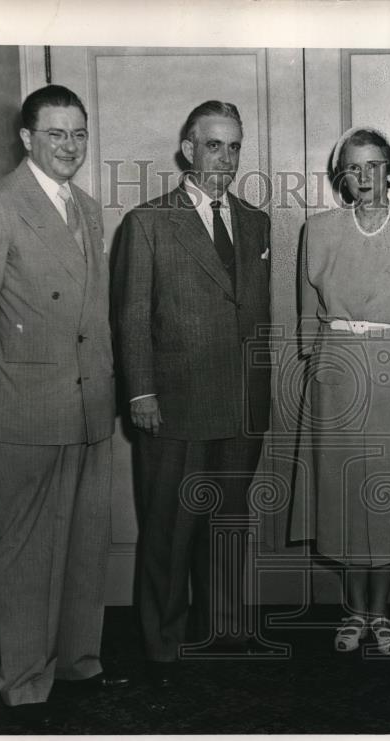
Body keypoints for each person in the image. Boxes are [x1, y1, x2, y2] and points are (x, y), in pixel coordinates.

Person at [0, 84, 126, 727]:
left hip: (90, 407)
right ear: (27, 138)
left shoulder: (91, 208)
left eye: (78, 134)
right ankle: (25, 683)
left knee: (83, 543)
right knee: (25, 555)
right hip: (25, 410)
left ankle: (78, 661)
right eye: (56, 134)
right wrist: (6, 391)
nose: (70, 146)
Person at [113, 101, 272, 678]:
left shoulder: (256, 222)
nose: (224, 159)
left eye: (233, 147)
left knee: (228, 525)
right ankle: (162, 642)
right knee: (169, 528)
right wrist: (140, 394)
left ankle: (226, 630)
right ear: (188, 149)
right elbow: (130, 317)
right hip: (174, 403)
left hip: (242, 402)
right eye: (213, 146)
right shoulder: (148, 222)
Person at [290, 127, 390, 655]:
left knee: (388, 498)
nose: (364, 177)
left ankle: (383, 613)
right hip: (337, 374)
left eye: (374, 165)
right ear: (341, 177)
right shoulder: (319, 228)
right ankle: (354, 612)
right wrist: (317, 363)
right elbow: (309, 310)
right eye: (353, 168)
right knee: (347, 496)